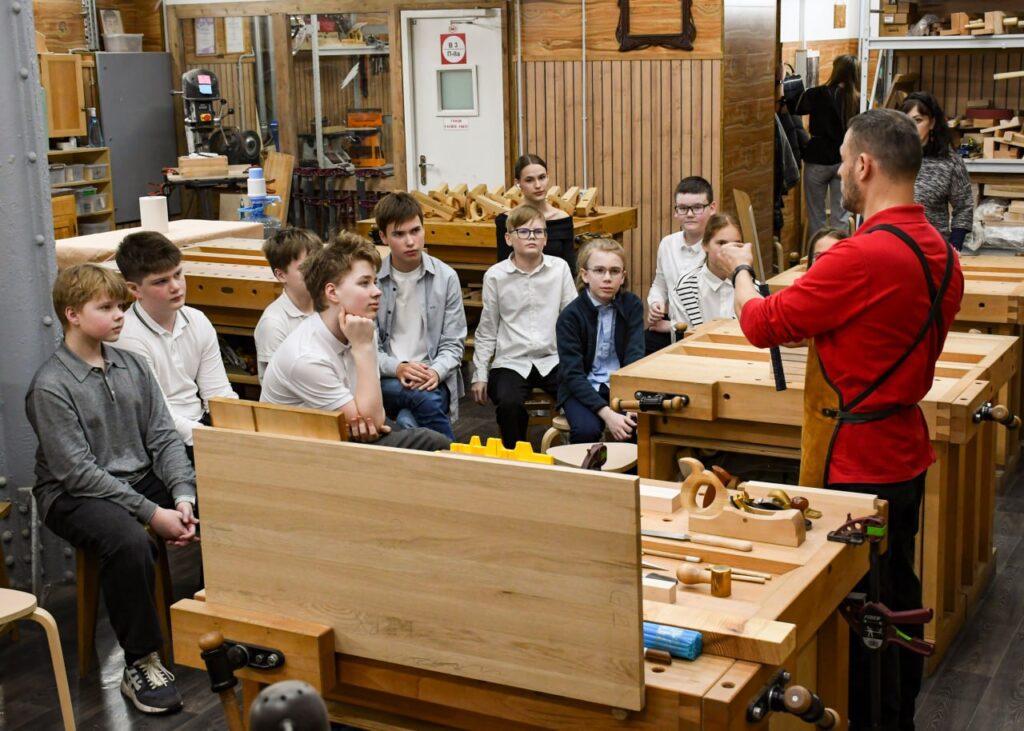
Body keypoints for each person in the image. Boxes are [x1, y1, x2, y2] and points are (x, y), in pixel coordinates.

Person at [720, 108, 964, 731]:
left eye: (845, 163)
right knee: (895, 597)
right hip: (905, 451)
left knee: (856, 616)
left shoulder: (859, 257)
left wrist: (741, 272)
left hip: (854, 464)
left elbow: (761, 323)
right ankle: (898, 716)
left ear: (863, 165)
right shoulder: (943, 253)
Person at [26, 264, 198, 715]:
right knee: (128, 542)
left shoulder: (133, 365)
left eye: (121, 306)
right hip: (71, 494)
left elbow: (163, 438)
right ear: (72, 315)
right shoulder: (50, 386)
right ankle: (140, 661)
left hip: (135, 478)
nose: (121, 315)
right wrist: (152, 513)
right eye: (106, 308)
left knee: (223, 502)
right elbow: (77, 473)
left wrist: (183, 495)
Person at [261, 232, 450, 451]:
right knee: (433, 443)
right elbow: (372, 421)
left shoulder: (358, 327)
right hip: (298, 451)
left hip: (336, 435)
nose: (377, 291)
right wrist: (364, 347)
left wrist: (364, 417)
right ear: (332, 292)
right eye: (364, 283)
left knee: (423, 432)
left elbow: (370, 420)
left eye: (375, 282)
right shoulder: (306, 357)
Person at [112, 232, 237, 458]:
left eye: (178, 274)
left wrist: (239, 430)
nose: (176, 287)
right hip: (160, 441)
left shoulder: (197, 320)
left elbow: (218, 393)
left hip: (199, 427)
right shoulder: (127, 337)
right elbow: (159, 414)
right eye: (161, 281)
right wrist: (215, 442)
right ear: (134, 289)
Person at [472, 204, 577, 448]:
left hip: (553, 357)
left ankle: (572, 452)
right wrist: (479, 374)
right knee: (508, 404)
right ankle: (517, 458)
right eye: (524, 232)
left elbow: (573, 320)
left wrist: (580, 363)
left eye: (538, 232)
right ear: (508, 238)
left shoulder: (559, 269)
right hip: (511, 360)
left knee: (577, 394)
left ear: (546, 239)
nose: (532, 237)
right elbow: (487, 329)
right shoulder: (495, 276)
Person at [373, 192, 467, 440]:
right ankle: (452, 456)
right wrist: (398, 368)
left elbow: (453, 344)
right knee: (423, 398)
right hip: (387, 377)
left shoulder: (446, 277)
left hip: (433, 375)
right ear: (383, 237)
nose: (410, 241)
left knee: (410, 417)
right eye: (399, 234)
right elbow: (367, 348)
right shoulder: (372, 281)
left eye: (415, 231)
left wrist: (435, 372)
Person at [555, 238, 644, 444]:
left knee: (637, 426)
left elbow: (635, 357)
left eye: (614, 271)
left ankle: (629, 468)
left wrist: (631, 399)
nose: (607, 278)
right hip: (582, 387)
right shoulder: (570, 316)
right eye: (599, 271)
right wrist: (608, 415)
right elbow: (573, 374)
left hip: (619, 385)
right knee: (586, 430)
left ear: (623, 277)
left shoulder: (632, 305)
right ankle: (590, 467)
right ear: (585, 275)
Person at [646, 176, 717, 353]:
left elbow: (717, 312)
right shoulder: (667, 244)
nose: (690, 214)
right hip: (673, 328)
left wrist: (672, 327)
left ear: (712, 208)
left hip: (706, 333)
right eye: (683, 208)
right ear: (676, 212)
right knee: (639, 348)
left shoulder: (718, 248)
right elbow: (659, 284)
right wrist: (656, 302)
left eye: (697, 207)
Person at [900, 91, 973, 251]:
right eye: (906, 121)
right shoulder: (888, 159)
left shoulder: (950, 162)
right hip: (893, 249)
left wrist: (954, 247)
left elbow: (964, 207)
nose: (911, 127)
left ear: (932, 123)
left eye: (918, 120)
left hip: (933, 251)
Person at [796, 54, 860, 237]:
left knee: (816, 218)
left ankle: (820, 252)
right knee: (841, 218)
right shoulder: (859, 99)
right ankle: (840, 252)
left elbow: (794, 108)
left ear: (836, 70)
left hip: (817, 159)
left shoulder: (817, 94)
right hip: (844, 161)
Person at [254, 227, 324, 381]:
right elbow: (282, 382)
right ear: (281, 275)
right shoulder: (273, 324)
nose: (317, 272)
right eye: (306, 267)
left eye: (318, 264)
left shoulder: (327, 307)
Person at [495, 154, 576, 274]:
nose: (538, 185)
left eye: (542, 177)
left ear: (548, 177)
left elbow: (570, 269)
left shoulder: (562, 219)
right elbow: (503, 266)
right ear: (518, 183)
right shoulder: (506, 220)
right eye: (529, 180)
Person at [672, 213, 743, 329]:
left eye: (735, 244)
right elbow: (682, 336)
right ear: (705, 245)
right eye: (721, 243)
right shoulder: (685, 287)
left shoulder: (752, 289)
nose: (728, 250)